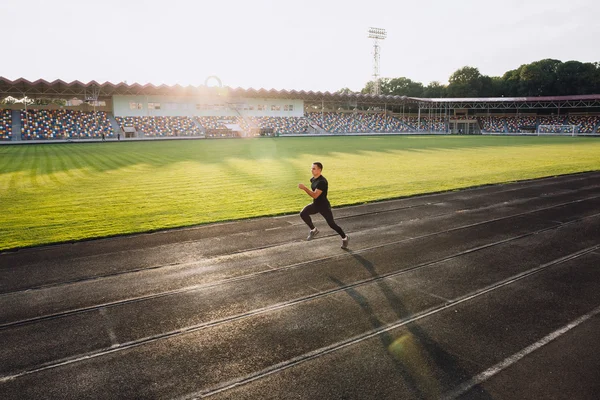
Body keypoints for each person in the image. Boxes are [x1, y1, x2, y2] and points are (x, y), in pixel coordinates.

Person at [298, 162, 349, 249]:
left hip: (324, 206)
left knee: (332, 224)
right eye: (311, 168)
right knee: (303, 213)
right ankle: (314, 230)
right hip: (316, 205)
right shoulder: (313, 179)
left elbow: (315, 195)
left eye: (314, 168)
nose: (312, 170)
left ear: (319, 170)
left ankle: (345, 238)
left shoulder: (322, 182)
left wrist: (304, 188)